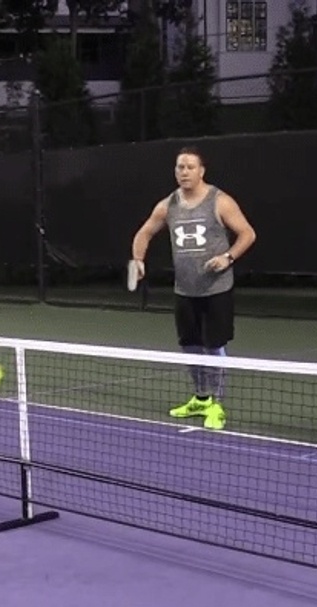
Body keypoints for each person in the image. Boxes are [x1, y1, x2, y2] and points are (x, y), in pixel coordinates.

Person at [129, 146, 257, 430]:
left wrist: (228, 257)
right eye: (179, 167)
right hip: (185, 290)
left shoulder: (219, 201)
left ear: (201, 171)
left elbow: (248, 233)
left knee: (215, 346)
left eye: (189, 167)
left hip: (217, 289)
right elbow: (144, 233)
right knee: (190, 347)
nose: (183, 172)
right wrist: (138, 259)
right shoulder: (168, 205)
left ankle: (218, 406)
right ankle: (201, 398)